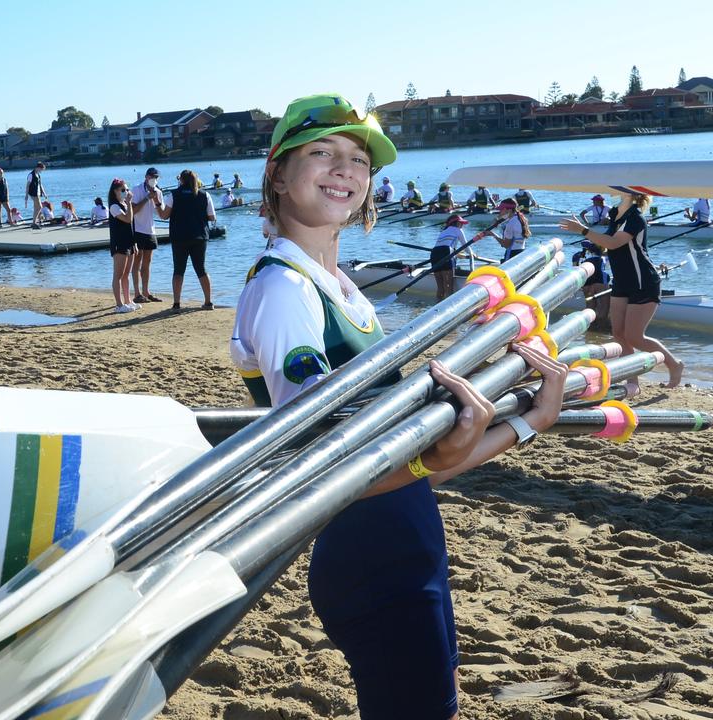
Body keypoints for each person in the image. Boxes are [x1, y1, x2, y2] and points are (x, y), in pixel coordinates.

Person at [231, 93, 570, 720]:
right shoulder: (284, 291)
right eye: (322, 153)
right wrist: (435, 454)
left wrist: (528, 422)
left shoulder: (342, 288)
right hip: (371, 558)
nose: (345, 171)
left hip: (408, 539)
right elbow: (324, 471)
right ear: (278, 173)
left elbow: (418, 465)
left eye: (358, 160)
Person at [560, 193, 685, 387]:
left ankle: (674, 365)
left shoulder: (635, 218)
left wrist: (583, 230)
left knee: (634, 337)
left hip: (643, 281)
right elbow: (607, 246)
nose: (614, 189)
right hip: (621, 281)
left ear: (632, 194)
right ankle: (631, 379)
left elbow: (613, 243)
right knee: (618, 333)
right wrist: (589, 236)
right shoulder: (616, 214)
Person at [159, 169, 216, 311]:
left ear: (181, 180)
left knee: (178, 270)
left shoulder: (174, 195)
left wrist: (156, 202)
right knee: (201, 269)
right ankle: (208, 302)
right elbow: (212, 217)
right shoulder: (205, 195)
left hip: (179, 237)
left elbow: (165, 215)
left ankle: (177, 303)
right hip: (199, 236)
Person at [129, 167, 164, 303]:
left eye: (156, 177)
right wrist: (146, 198)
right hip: (137, 229)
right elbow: (133, 210)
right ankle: (137, 293)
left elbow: (161, 215)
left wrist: (155, 199)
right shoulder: (137, 189)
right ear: (146, 177)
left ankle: (146, 291)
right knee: (136, 262)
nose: (154, 180)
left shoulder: (158, 192)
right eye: (152, 177)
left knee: (147, 263)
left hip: (151, 230)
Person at [106, 178, 138, 312]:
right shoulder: (114, 206)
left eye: (127, 189)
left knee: (126, 274)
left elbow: (132, 224)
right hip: (119, 243)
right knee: (118, 275)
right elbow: (127, 219)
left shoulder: (124, 204)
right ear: (115, 191)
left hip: (129, 242)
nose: (126, 192)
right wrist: (129, 202)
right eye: (123, 190)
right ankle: (119, 304)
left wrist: (134, 243)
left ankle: (128, 300)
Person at [572, 239, 611, 329]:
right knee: (604, 309)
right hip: (600, 283)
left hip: (586, 284)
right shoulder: (605, 257)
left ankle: (590, 329)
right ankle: (601, 330)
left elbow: (575, 269)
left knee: (590, 308)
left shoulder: (577, 256)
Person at [431, 215, 470, 301]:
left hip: (434, 253)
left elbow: (445, 245)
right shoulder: (458, 230)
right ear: (456, 223)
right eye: (461, 223)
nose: (462, 225)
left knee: (440, 287)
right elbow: (466, 246)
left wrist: (456, 253)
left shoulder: (443, 231)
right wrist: (472, 254)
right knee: (448, 286)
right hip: (446, 252)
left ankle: (437, 306)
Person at [25, 162, 47, 228]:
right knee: (39, 207)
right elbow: (27, 185)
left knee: (36, 208)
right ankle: (34, 222)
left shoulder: (38, 175)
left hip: (38, 193)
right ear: (38, 168)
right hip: (33, 193)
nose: (41, 171)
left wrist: (44, 193)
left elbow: (40, 184)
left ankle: (34, 222)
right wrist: (26, 195)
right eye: (41, 169)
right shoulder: (31, 175)